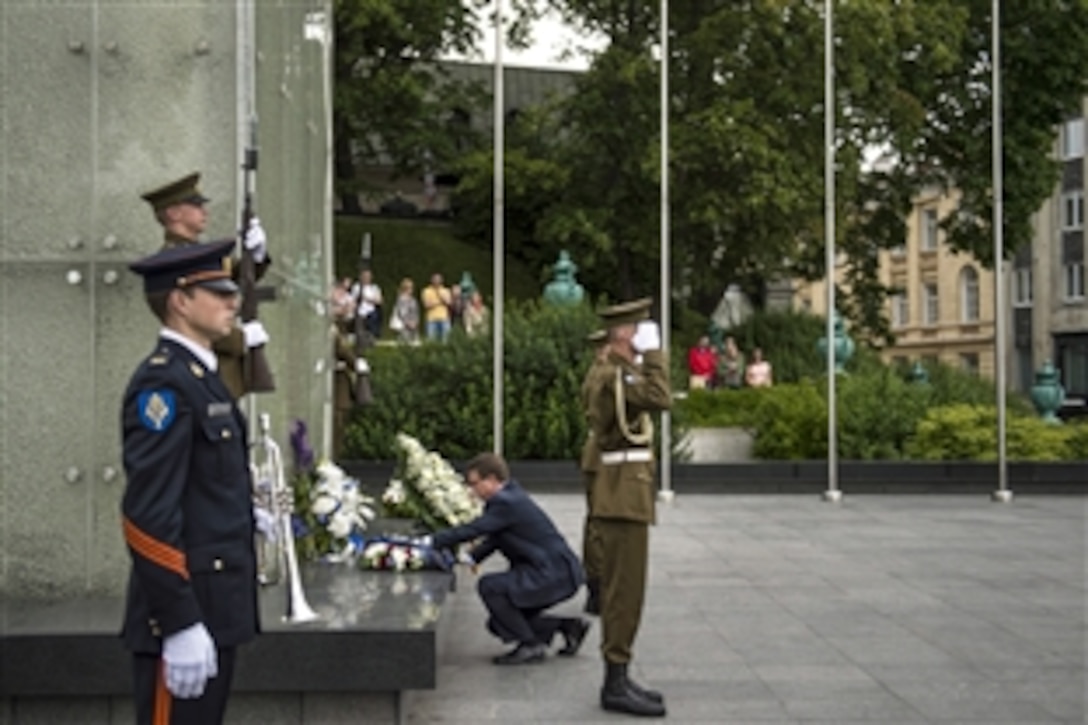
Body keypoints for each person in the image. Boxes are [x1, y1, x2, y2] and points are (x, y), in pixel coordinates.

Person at [121, 240, 266, 725]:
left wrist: (248, 513)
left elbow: (201, 483)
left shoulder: (201, 376)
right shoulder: (163, 385)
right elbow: (147, 515)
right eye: (219, 293)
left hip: (215, 602)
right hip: (185, 609)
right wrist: (178, 622)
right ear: (180, 301)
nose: (233, 303)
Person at [583, 298, 671, 717]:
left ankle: (619, 674)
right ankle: (614, 683)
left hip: (624, 493)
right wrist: (655, 356)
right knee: (625, 593)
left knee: (626, 591)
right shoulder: (614, 377)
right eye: (639, 330)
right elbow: (660, 396)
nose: (644, 337)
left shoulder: (617, 374)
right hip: (621, 496)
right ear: (624, 336)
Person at [428, 452, 590, 665]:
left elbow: (475, 529)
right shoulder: (510, 497)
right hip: (559, 572)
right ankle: (568, 627)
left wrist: (431, 541)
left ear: (492, 480)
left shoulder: (505, 502)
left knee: (491, 588)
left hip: (552, 574)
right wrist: (467, 559)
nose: (472, 490)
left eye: (475, 483)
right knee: (499, 623)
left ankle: (531, 645)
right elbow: (497, 538)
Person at [141, 172, 271, 400]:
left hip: (220, 377)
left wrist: (257, 256)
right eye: (196, 205)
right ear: (174, 213)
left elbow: (235, 278)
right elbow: (192, 319)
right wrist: (241, 339)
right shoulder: (174, 262)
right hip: (202, 376)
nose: (205, 211)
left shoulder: (200, 255)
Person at [579, 329, 609, 616]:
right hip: (603, 456)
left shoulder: (596, 372)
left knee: (596, 524)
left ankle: (596, 585)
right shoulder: (603, 374)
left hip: (596, 454)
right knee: (600, 525)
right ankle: (598, 587)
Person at [351, 268, 383, 350]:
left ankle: (372, 338)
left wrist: (368, 299)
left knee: (374, 317)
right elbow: (353, 300)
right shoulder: (357, 287)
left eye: (368, 276)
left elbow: (379, 301)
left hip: (371, 311)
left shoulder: (374, 288)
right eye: (364, 276)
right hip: (360, 311)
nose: (366, 278)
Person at [420, 272, 453, 342]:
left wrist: (440, 295)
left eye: (438, 280)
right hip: (431, 319)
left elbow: (449, 302)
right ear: (432, 281)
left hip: (444, 318)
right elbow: (427, 305)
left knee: (446, 340)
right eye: (435, 280)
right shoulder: (426, 291)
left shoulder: (446, 290)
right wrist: (439, 302)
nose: (436, 281)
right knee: (431, 340)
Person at [390, 277, 420, 345]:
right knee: (404, 343)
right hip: (404, 326)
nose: (412, 289)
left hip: (414, 325)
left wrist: (416, 322)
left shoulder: (413, 299)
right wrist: (408, 323)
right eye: (410, 288)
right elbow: (401, 313)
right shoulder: (401, 299)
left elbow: (416, 312)